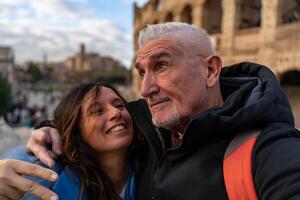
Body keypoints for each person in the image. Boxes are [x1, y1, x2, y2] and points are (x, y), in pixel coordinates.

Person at [1, 22, 300, 199]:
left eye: (162, 66)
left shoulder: (268, 150)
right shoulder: (148, 132)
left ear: (210, 70)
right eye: (142, 72)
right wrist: (43, 132)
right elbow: (74, 127)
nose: (145, 89)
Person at [0, 82, 144, 200]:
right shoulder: (48, 187)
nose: (116, 112)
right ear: (76, 131)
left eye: (119, 105)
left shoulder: (154, 161)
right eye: (97, 111)